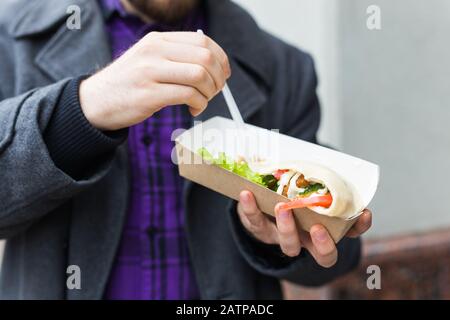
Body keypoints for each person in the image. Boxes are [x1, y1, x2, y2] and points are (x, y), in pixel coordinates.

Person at [0, 0, 372, 299]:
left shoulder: (284, 67)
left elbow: (339, 259)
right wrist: (81, 109)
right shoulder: (12, 38)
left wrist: (270, 239)